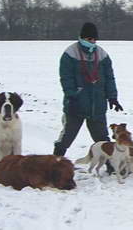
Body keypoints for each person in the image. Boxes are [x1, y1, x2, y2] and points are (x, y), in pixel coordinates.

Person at [53, 22, 123, 165]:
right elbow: (66, 78)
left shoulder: (102, 54)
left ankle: (111, 165)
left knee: (102, 138)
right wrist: (71, 95)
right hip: (76, 104)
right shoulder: (70, 53)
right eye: (89, 39)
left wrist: (112, 97)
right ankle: (55, 161)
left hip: (97, 105)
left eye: (94, 40)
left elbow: (109, 77)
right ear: (82, 38)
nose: (92, 42)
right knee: (67, 136)